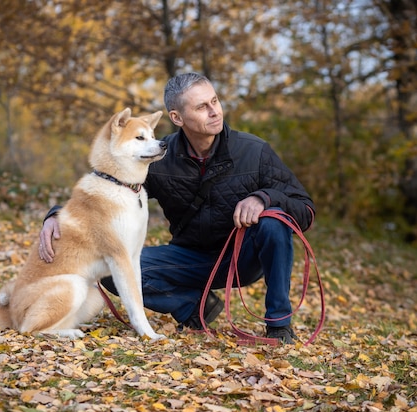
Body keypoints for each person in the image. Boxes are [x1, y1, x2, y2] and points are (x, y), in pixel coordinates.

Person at [39, 72, 315, 343]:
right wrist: (57, 216)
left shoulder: (254, 151)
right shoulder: (159, 156)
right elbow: (108, 191)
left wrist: (263, 198)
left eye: (215, 101)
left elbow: (305, 209)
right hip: (189, 258)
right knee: (111, 270)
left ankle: (279, 326)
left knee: (275, 221)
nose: (214, 112)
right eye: (202, 107)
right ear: (177, 118)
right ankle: (194, 307)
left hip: (243, 259)